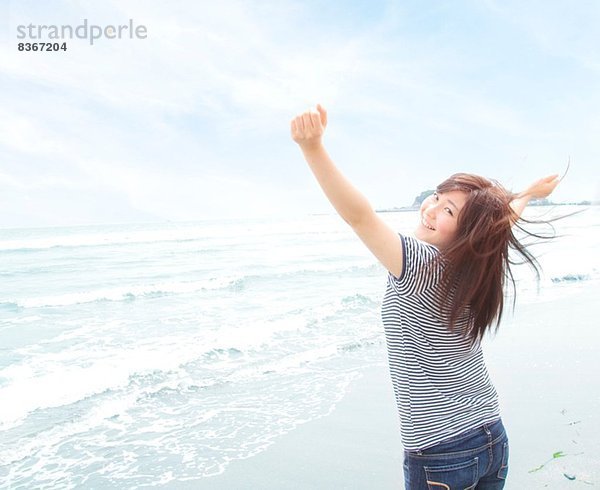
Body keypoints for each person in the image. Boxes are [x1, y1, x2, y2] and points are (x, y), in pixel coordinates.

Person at [290, 104, 561, 489]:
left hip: (441, 454)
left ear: (466, 233)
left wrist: (313, 148)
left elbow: (360, 217)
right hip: (491, 436)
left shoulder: (421, 263)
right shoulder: (478, 264)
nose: (432, 208)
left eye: (447, 209)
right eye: (436, 196)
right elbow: (502, 220)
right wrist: (530, 193)